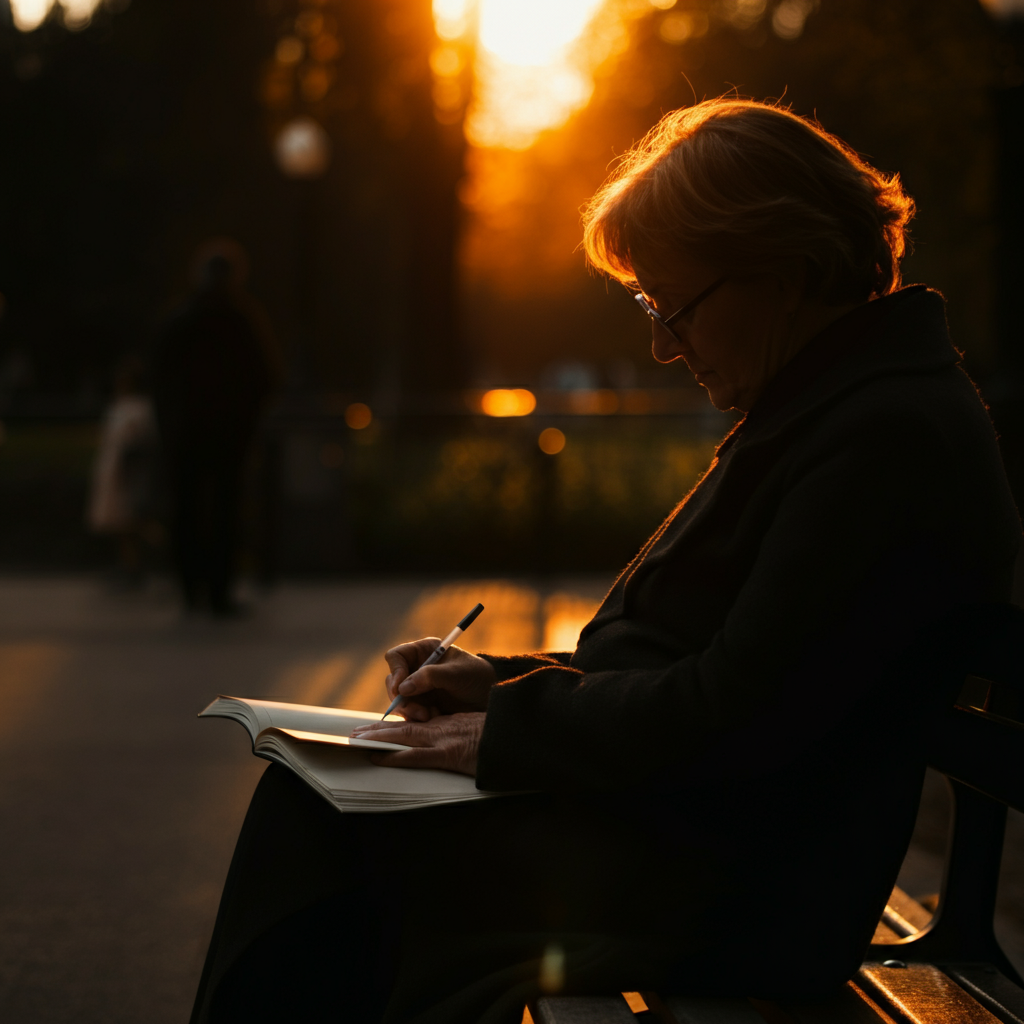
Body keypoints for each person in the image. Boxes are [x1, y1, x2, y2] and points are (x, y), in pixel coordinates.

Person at [191, 100, 1021, 1023]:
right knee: (321, 815)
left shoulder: (880, 436)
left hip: (733, 879)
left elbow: (729, 710)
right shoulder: (840, 404)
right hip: (692, 829)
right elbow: (708, 671)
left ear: (780, 268)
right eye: (649, 307)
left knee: (326, 834)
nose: (664, 345)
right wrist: (495, 684)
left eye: (677, 307)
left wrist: (498, 734)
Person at [152, 240, 277, 616]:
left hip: (185, 436)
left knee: (186, 511)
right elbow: (263, 377)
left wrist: (169, 426)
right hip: (228, 437)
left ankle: (191, 590)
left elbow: (159, 380)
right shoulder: (242, 320)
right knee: (225, 511)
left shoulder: (180, 319)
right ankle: (219, 592)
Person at [87, 353, 161, 583]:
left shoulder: (138, 408)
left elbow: (138, 442)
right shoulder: (122, 406)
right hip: (115, 471)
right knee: (121, 524)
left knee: (132, 522)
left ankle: (135, 568)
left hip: (127, 474)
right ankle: (127, 566)